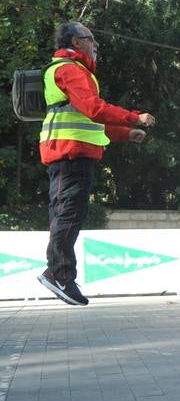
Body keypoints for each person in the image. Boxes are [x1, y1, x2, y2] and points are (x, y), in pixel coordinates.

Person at [37, 21, 154, 305]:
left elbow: (88, 121)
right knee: (67, 215)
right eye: (91, 39)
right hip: (70, 153)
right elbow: (93, 109)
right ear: (76, 42)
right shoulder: (70, 69)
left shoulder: (74, 70)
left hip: (72, 151)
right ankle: (59, 274)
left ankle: (58, 272)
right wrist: (134, 117)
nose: (96, 45)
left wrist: (126, 134)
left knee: (67, 215)